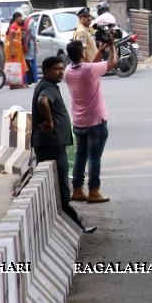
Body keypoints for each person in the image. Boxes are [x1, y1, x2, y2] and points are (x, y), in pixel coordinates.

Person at [32, 56, 96, 235]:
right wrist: (50, 121)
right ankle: (77, 226)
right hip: (52, 144)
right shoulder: (48, 87)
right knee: (61, 188)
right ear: (46, 71)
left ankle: (57, 226)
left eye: (62, 68)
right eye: (56, 69)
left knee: (54, 187)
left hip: (50, 144)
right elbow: (42, 102)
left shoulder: (47, 86)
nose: (61, 72)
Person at [65, 38, 117, 203]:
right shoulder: (89, 70)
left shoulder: (68, 71)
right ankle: (94, 191)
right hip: (95, 121)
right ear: (82, 53)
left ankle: (77, 190)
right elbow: (113, 62)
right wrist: (112, 46)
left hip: (79, 122)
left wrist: (101, 50)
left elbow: (91, 66)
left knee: (81, 155)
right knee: (94, 157)